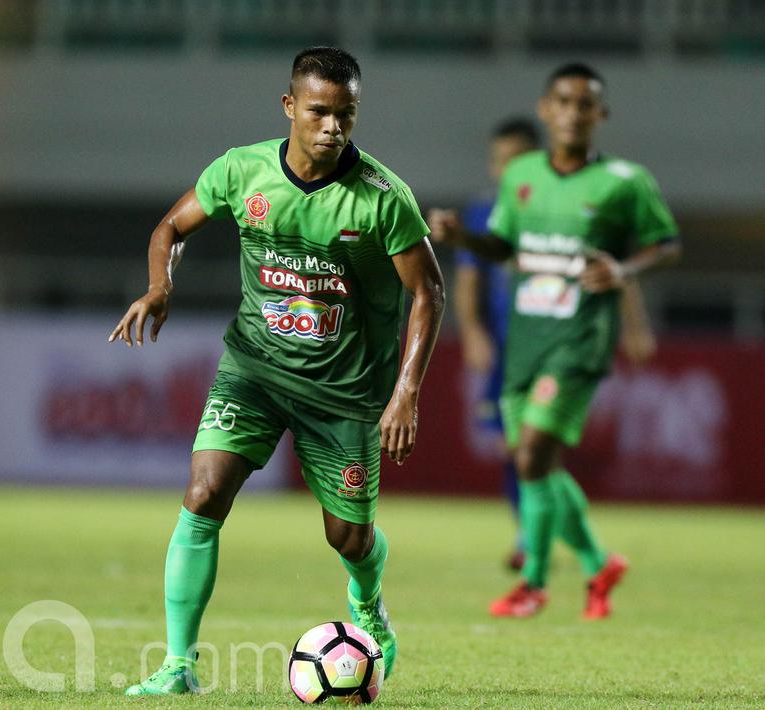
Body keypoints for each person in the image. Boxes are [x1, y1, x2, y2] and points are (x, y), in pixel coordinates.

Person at [110, 46, 445, 695]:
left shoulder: (381, 198)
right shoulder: (242, 171)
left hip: (344, 393)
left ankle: (368, 604)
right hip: (255, 370)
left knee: (346, 537)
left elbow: (427, 292)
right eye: (319, 112)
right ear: (290, 106)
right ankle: (178, 666)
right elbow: (171, 228)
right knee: (204, 493)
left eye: (345, 114)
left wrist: (405, 393)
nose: (332, 127)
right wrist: (159, 286)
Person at [430, 63, 680, 619]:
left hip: (581, 339)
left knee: (535, 450)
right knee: (533, 460)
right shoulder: (522, 176)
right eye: (563, 102)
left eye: (585, 104)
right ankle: (598, 561)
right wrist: (460, 235)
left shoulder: (624, 181)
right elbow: (499, 246)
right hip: (527, 339)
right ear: (547, 110)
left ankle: (534, 583)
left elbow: (666, 244)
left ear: (601, 115)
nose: (573, 112)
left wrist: (623, 270)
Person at [456, 118, 661, 575]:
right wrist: (472, 330)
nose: (506, 168)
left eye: (516, 159)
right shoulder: (483, 213)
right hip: (510, 348)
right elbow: (470, 276)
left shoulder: (571, 201)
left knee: (534, 447)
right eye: (499, 161)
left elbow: (611, 264)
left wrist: (635, 325)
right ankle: (571, 549)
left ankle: (535, 545)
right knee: (519, 449)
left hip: (562, 340)